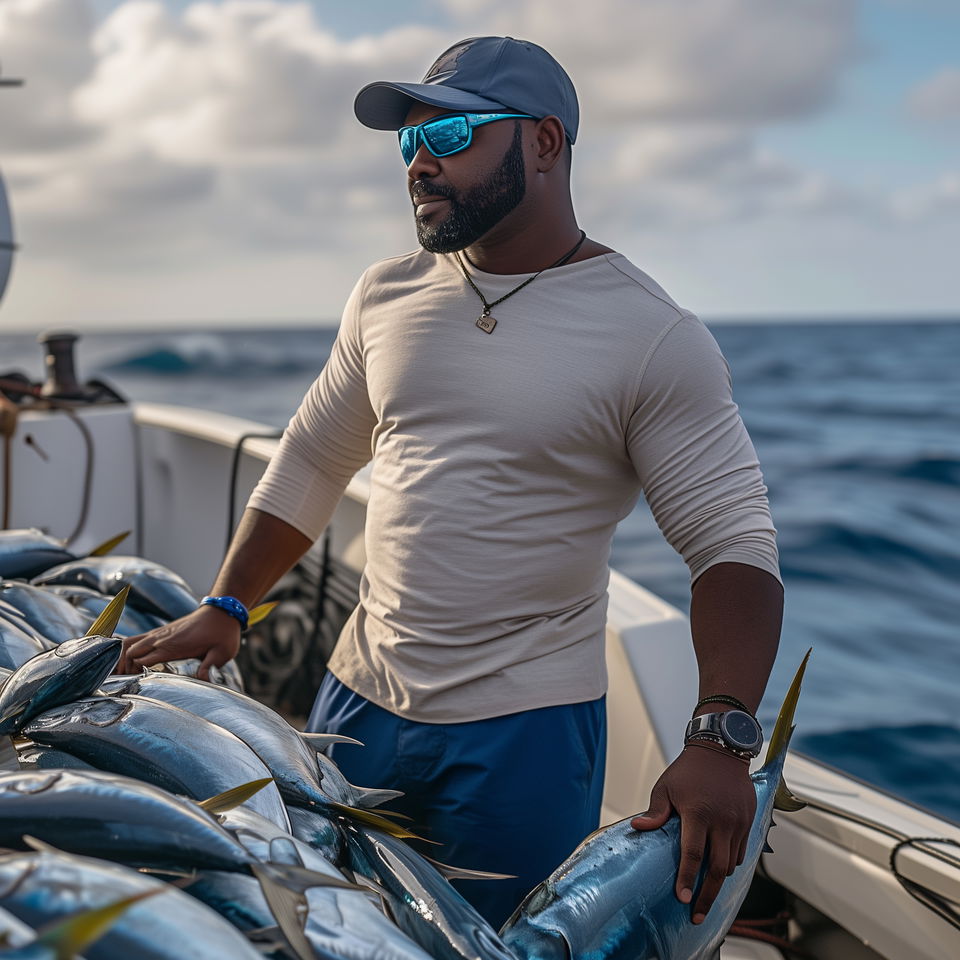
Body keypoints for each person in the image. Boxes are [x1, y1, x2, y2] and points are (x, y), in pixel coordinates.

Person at [118, 36, 783, 930]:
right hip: (354, 700)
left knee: (495, 948)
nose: (419, 163)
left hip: (526, 735)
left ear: (545, 143)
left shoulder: (652, 335)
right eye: (408, 142)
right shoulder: (384, 295)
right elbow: (313, 459)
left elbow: (733, 545)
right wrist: (227, 605)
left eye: (453, 133)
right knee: (329, 931)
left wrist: (719, 736)